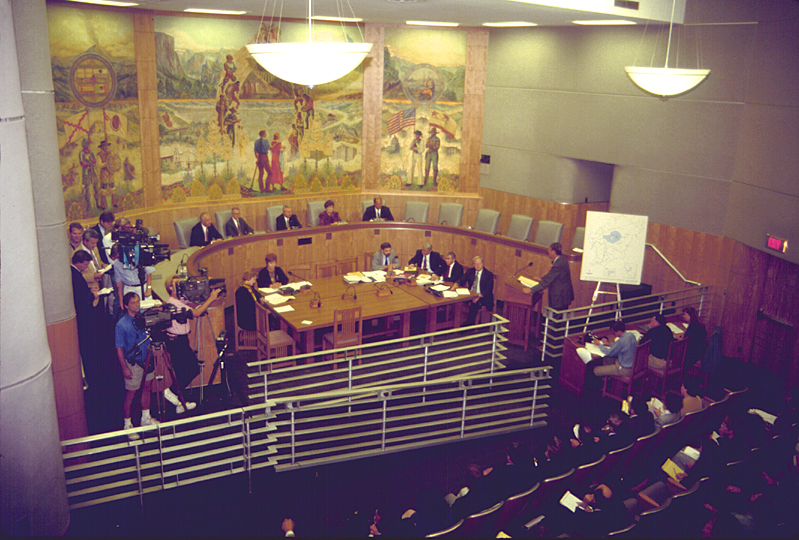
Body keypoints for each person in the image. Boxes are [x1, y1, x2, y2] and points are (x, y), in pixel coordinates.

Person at [163, 275, 220, 414]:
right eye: (177, 284)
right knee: (193, 368)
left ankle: (180, 404)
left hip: (179, 340)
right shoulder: (174, 303)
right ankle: (170, 391)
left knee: (181, 371)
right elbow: (197, 312)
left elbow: (192, 299)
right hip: (177, 342)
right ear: (170, 287)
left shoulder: (178, 300)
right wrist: (211, 298)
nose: (181, 286)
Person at [115, 292, 158, 439]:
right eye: (133, 302)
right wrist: (124, 368)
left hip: (147, 359)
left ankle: (145, 418)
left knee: (147, 388)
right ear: (126, 305)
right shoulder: (121, 324)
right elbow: (119, 348)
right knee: (131, 393)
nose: (137, 304)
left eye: (138, 301)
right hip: (133, 363)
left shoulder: (145, 317)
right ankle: (127, 425)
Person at [71, 251, 102, 388]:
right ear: (78, 262)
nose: (87, 266)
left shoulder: (73, 273)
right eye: (85, 263)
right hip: (83, 316)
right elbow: (81, 298)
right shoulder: (76, 275)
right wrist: (93, 296)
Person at [527, 242, 574, 312]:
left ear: (553, 252)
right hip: (563, 296)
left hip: (560, 298)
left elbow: (547, 282)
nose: (548, 252)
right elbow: (552, 275)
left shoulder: (558, 264)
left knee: (556, 319)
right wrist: (542, 279)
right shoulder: (562, 260)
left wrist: (531, 290)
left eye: (549, 250)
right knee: (558, 319)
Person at [111, 243, 154, 310]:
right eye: (117, 257)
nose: (119, 259)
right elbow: (118, 282)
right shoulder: (116, 264)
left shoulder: (139, 256)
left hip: (143, 287)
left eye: (119, 257)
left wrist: (148, 288)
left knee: (147, 310)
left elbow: (149, 273)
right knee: (132, 312)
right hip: (129, 288)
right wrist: (121, 299)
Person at [454, 255, 495, 326]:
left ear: (482, 264)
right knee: (458, 299)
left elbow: (488, 289)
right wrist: (456, 284)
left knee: (474, 303)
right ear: (473, 265)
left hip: (484, 296)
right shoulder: (470, 271)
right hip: (471, 293)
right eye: (475, 264)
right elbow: (463, 279)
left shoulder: (488, 274)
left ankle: (469, 323)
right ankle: (456, 320)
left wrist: (478, 296)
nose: (477, 265)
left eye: (479, 263)